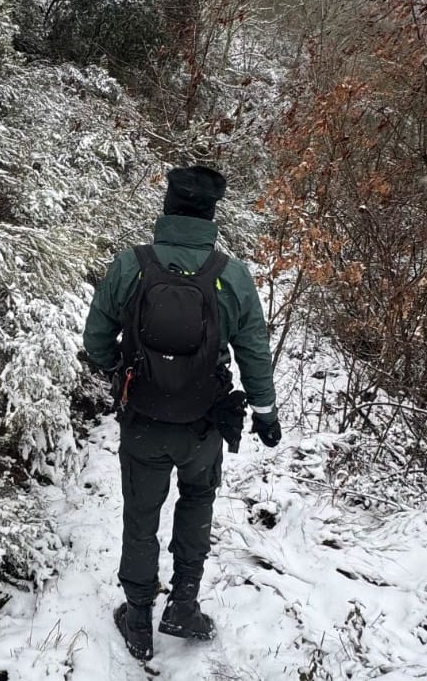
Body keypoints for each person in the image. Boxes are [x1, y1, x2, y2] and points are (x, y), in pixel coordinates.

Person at [82, 165, 282, 661]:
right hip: (202, 425)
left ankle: (138, 618)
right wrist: (264, 410)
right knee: (196, 505)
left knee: (141, 517)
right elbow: (253, 348)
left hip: (143, 419)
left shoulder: (131, 265)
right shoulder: (230, 275)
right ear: (212, 214)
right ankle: (183, 607)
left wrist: (119, 373)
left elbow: (95, 340)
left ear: (167, 209)